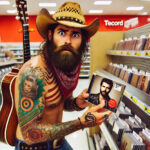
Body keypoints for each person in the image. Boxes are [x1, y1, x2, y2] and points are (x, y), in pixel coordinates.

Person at [15, 2, 111, 150]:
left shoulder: (63, 68)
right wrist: (81, 123)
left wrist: (76, 103)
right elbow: (29, 133)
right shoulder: (33, 73)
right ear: (50, 34)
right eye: (62, 32)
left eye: (75, 34)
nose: (68, 40)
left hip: (58, 142)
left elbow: (58, 104)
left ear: (83, 41)